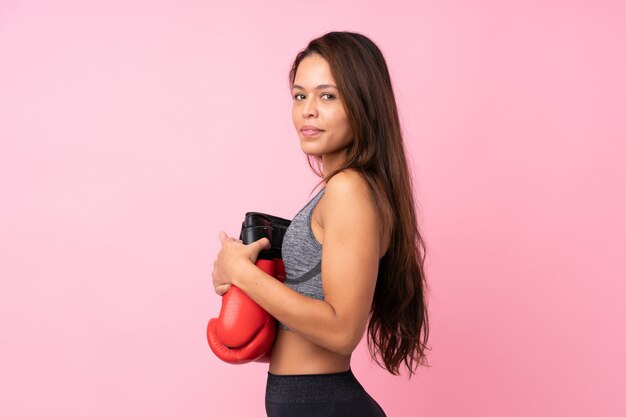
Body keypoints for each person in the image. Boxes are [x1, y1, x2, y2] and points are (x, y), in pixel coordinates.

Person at [211, 31, 430, 417]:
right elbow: (303, 334)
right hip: (307, 400)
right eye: (300, 95)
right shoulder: (338, 191)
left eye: (327, 95)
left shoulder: (349, 189)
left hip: (322, 403)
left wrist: (244, 275)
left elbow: (341, 331)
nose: (308, 110)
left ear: (363, 105)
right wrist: (241, 282)